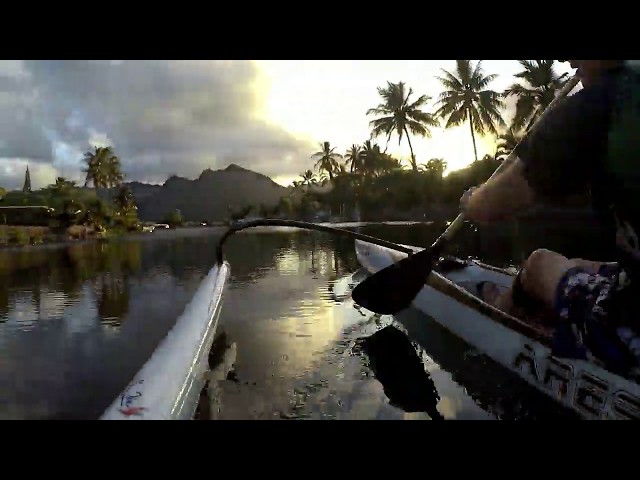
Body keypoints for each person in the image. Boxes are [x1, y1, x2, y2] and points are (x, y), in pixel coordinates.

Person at [460, 60, 640, 376]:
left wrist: (471, 199)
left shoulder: (599, 105)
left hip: (635, 322)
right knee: (582, 264)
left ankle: (500, 315)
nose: (567, 62)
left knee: (539, 264)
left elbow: (490, 206)